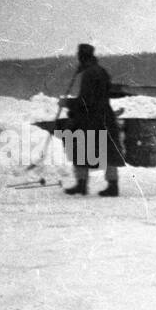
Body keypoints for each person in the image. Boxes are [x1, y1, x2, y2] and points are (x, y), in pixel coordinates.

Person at [66, 43, 121, 197]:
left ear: (82, 56)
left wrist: (68, 103)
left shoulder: (89, 73)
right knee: (109, 153)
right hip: (105, 117)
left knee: (80, 150)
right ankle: (113, 186)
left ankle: (81, 185)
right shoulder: (101, 71)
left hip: (91, 119)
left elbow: (86, 100)